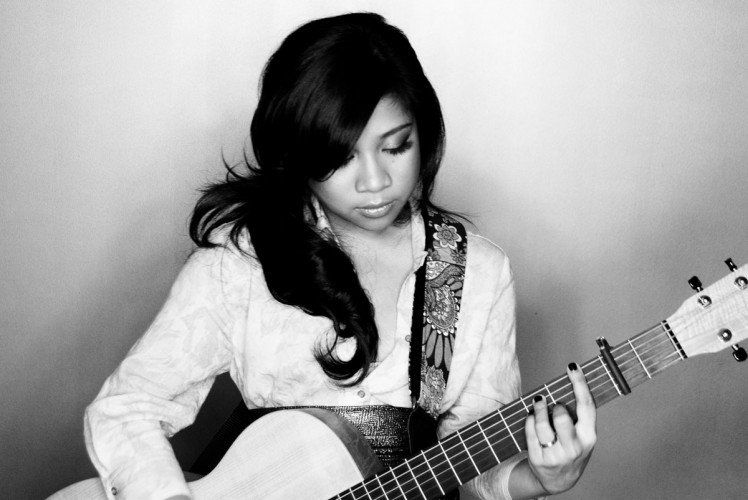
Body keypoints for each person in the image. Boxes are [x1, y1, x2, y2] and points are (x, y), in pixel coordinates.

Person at [84, 12, 596, 500]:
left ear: (424, 133)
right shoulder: (240, 264)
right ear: (297, 154)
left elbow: (468, 471)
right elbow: (126, 409)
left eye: (395, 147)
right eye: (340, 156)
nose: (375, 182)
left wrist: (538, 477)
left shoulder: (476, 272)